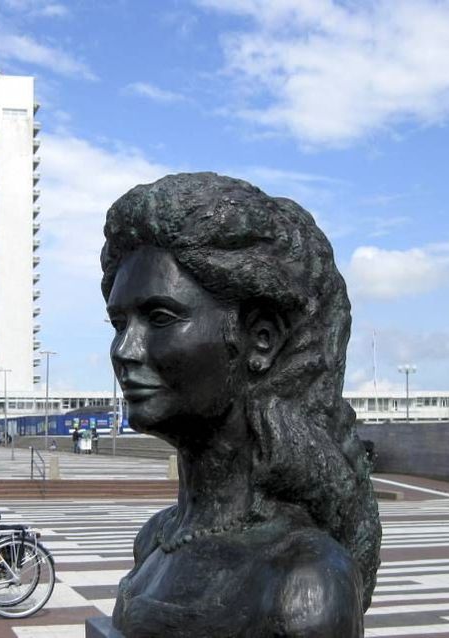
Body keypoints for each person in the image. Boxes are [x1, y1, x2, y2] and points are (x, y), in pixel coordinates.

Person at [102, 173, 381, 637]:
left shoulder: (301, 584)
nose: (124, 350)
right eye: (119, 322)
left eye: (159, 317)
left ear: (261, 340)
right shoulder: (153, 540)